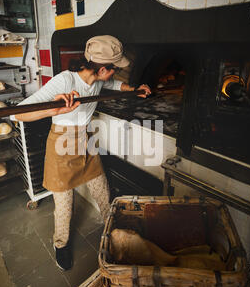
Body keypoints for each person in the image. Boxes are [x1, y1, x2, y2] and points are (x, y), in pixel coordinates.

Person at [12, 35, 151, 271]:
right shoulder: (64, 81)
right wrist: (53, 109)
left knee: (102, 191)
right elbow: (18, 113)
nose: (116, 74)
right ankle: (61, 244)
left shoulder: (98, 80)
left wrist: (133, 89)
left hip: (85, 141)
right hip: (61, 144)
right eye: (115, 69)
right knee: (65, 204)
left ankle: (113, 232)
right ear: (104, 68)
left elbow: (113, 85)